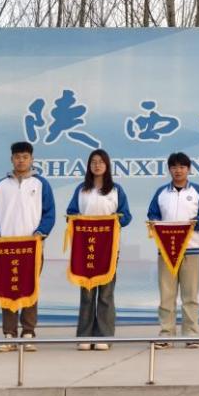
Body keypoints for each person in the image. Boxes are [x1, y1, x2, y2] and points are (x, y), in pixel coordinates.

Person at [0, 141, 55, 352]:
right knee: (7, 289)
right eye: (17, 157)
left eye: (25, 157)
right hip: (5, 248)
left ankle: (28, 333)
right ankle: (9, 334)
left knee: (29, 288)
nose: (21, 160)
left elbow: (49, 212)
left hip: (32, 247)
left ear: (32, 159)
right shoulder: (0, 186)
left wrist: (41, 231)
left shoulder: (41, 184)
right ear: (11, 159)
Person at [65, 149, 132, 351]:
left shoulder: (116, 190)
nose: (97, 165)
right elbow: (71, 212)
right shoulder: (81, 189)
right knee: (87, 293)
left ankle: (104, 336)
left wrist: (115, 219)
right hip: (85, 248)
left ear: (107, 165)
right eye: (93, 162)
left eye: (101, 162)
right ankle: (84, 336)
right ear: (89, 166)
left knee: (105, 293)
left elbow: (126, 216)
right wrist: (75, 219)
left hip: (108, 249)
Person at [147, 152, 199, 349]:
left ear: (188, 169)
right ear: (169, 169)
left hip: (191, 249)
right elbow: (152, 214)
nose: (178, 170)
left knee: (190, 295)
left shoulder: (197, 191)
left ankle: (191, 334)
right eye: (174, 167)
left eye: (182, 167)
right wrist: (154, 222)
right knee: (167, 295)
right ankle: (166, 334)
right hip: (166, 250)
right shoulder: (161, 193)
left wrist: (198, 222)